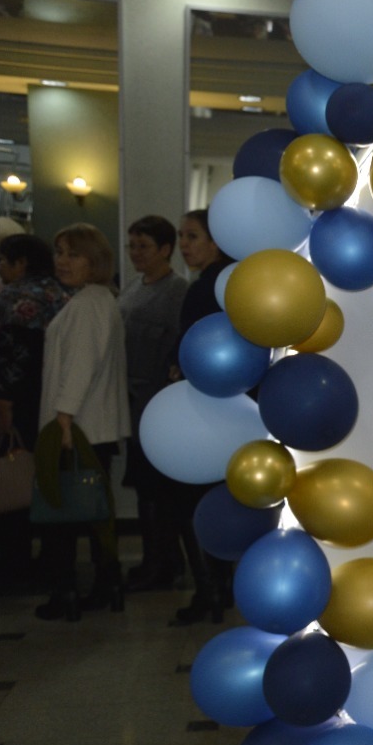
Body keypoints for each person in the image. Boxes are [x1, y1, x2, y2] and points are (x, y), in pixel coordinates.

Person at [34, 223, 129, 620]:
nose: (63, 261)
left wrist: (63, 421)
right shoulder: (97, 299)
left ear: (95, 260)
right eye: (60, 252)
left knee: (64, 515)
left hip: (78, 427)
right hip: (90, 426)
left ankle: (67, 592)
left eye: (73, 254)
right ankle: (107, 584)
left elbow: (79, 368)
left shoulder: (88, 304)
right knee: (92, 514)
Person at [167, 208, 237, 625]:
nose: (184, 244)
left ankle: (208, 592)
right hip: (232, 413)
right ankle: (221, 589)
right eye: (181, 236)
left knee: (191, 504)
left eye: (192, 236)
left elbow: (188, 353)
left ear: (216, 242)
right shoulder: (235, 283)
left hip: (203, 413)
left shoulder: (204, 288)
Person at [117, 215, 188, 592]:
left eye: (143, 246)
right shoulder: (132, 287)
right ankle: (157, 558)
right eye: (132, 246)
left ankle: (162, 561)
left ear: (165, 250)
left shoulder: (177, 291)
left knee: (157, 488)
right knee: (145, 486)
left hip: (156, 402)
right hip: (131, 400)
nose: (136, 253)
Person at [0, 233, 68, 589]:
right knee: (47, 476)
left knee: (14, 474)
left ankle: (14, 563)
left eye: (3, 260)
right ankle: (50, 560)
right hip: (54, 397)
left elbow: (14, 357)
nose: (0, 267)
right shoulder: (61, 292)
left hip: (20, 401)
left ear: (21, 263)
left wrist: (4, 400)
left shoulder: (14, 298)